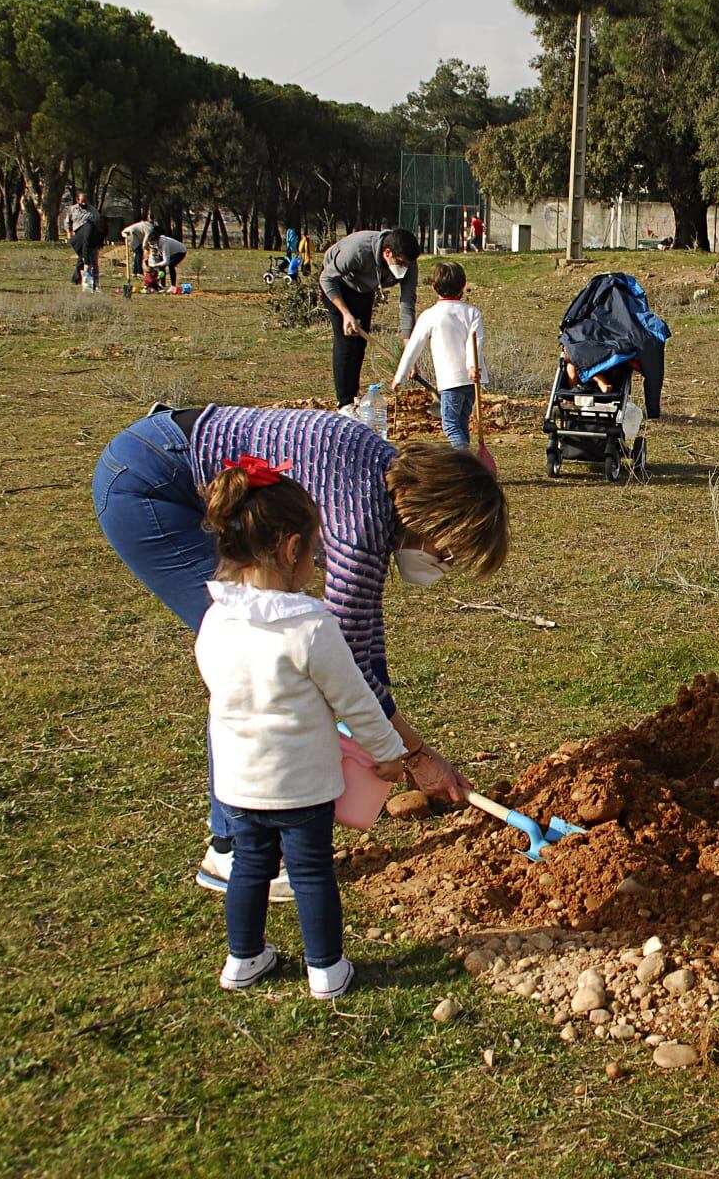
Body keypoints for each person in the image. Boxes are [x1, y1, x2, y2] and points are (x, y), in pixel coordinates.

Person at [93, 404, 504, 895]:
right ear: (435, 521)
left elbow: (366, 646)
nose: (444, 563)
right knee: (254, 660)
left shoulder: (385, 481)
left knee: (268, 659)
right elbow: (347, 662)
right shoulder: (361, 526)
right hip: (150, 484)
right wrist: (413, 755)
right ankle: (236, 851)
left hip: (156, 452)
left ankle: (248, 839)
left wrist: (401, 741)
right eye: (448, 551)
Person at [194, 455, 415, 1000]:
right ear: (292, 549)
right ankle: (326, 969)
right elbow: (357, 701)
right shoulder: (311, 627)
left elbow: (218, 686)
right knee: (311, 872)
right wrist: (390, 752)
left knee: (249, 868)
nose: (316, 563)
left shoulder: (215, 619)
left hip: (240, 786)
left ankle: (242, 959)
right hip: (302, 788)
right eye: (313, 551)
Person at [318, 227, 421, 407]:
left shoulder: (409, 264)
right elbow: (326, 279)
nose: (404, 268)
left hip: (364, 288)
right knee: (347, 340)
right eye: (401, 263)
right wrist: (346, 314)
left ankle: (353, 394)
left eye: (408, 264)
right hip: (337, 284)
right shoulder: (358, 250)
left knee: (360, 342)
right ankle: (345, 404)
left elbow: (407, 303)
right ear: (387, 252)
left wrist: (409, 350)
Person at [392, 262, 486, 447]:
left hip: (451, 382)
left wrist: (399, 376)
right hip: (471, 381)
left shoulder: (430, 315)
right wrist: (471, 367)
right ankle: (466, 465)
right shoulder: (472, 312)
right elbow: (474, 342)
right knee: (461, 422)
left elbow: (413, 347)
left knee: (450, 425)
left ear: (434, 288)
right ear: (463, 286)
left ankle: (464, 462)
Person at [64, 190, 101, 289]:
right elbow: (67, 222)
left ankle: (87, 280)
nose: (84, 203)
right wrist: (69, 232)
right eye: (82, 201)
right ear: (77, 200)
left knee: (88, 258)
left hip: (91, 237)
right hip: (78, 236)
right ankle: (78, 278)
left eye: (86, 201)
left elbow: (98, 223)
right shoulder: (72, 209)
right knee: (83, 257)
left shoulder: (93, 211)